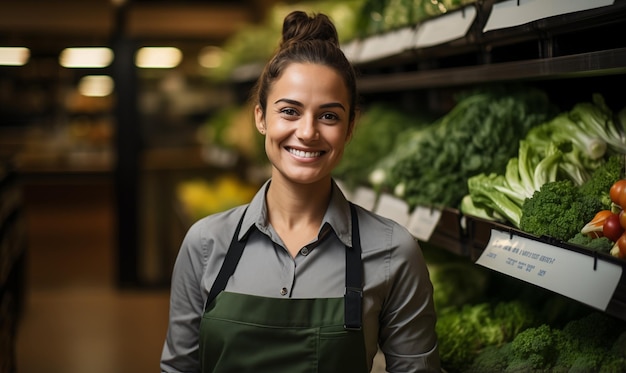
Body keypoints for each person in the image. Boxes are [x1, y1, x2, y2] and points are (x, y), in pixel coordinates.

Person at [161, 10, 440, 373]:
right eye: (290, 111)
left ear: (350, 126)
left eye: (329, 116)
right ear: (261, 117)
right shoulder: (204, 244)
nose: (308, 132)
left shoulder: (392, 252)